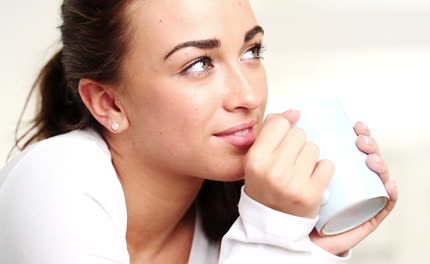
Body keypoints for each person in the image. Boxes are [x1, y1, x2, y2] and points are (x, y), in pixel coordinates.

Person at [0, 0, 398, 263]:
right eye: (198, 64)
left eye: (251, 52)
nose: (248, 95)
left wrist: (305, 249)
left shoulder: (232, 217)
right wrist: (271, 234)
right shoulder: (54, 177)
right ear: (108, 103)